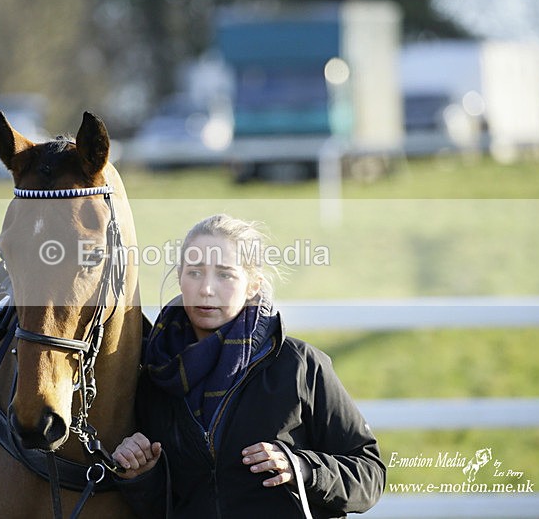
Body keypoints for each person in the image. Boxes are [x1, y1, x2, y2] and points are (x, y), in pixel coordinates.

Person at [111, 214, 385, 518]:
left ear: (253, 284)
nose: (206, 289)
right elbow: (167, 506)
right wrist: (140, 476)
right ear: (180, 277)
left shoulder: (299, 365)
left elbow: (369, 475)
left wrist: (302, 468)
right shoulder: (152, 377)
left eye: (225, 275)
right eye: (195, 273)